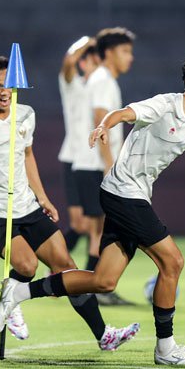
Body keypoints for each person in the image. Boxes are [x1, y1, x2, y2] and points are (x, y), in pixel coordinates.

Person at [0, 53, 185, 366]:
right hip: (123, 194)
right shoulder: (166, 105)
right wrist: (103, 127)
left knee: (104, 281)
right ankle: (166, 349)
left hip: (131, 196)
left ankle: (18, 293)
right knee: (173, 262)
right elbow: (123, 113)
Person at [0, 56, 139, 349]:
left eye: (8, 85)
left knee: (67, 267)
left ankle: (104, 335)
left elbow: (27, 155)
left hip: (27, 205)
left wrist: (42, 197)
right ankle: (11, 302)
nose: (4, 92)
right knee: (27, 264)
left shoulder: (26, 114)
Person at [70, 27, 136, 305]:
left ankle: (91, 289)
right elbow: (101, 121)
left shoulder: (103, 79)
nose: (129, 58)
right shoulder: (103, 80)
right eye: (125, 51)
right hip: (96, 165)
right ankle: (90, 289)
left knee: (98, 230)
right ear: (108, 53)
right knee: (100, 230)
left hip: (93, 164)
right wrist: (110, 166)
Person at [58, 37, 100, 254]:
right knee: (80, 225)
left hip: (97, 161)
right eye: (94, 60)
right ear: (83, 63)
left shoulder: (104, 87)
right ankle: (56, 266)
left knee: (97, 227)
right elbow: (68, 62)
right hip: (74, 157)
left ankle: (92, 283)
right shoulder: (74, 85)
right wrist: (87, 41)